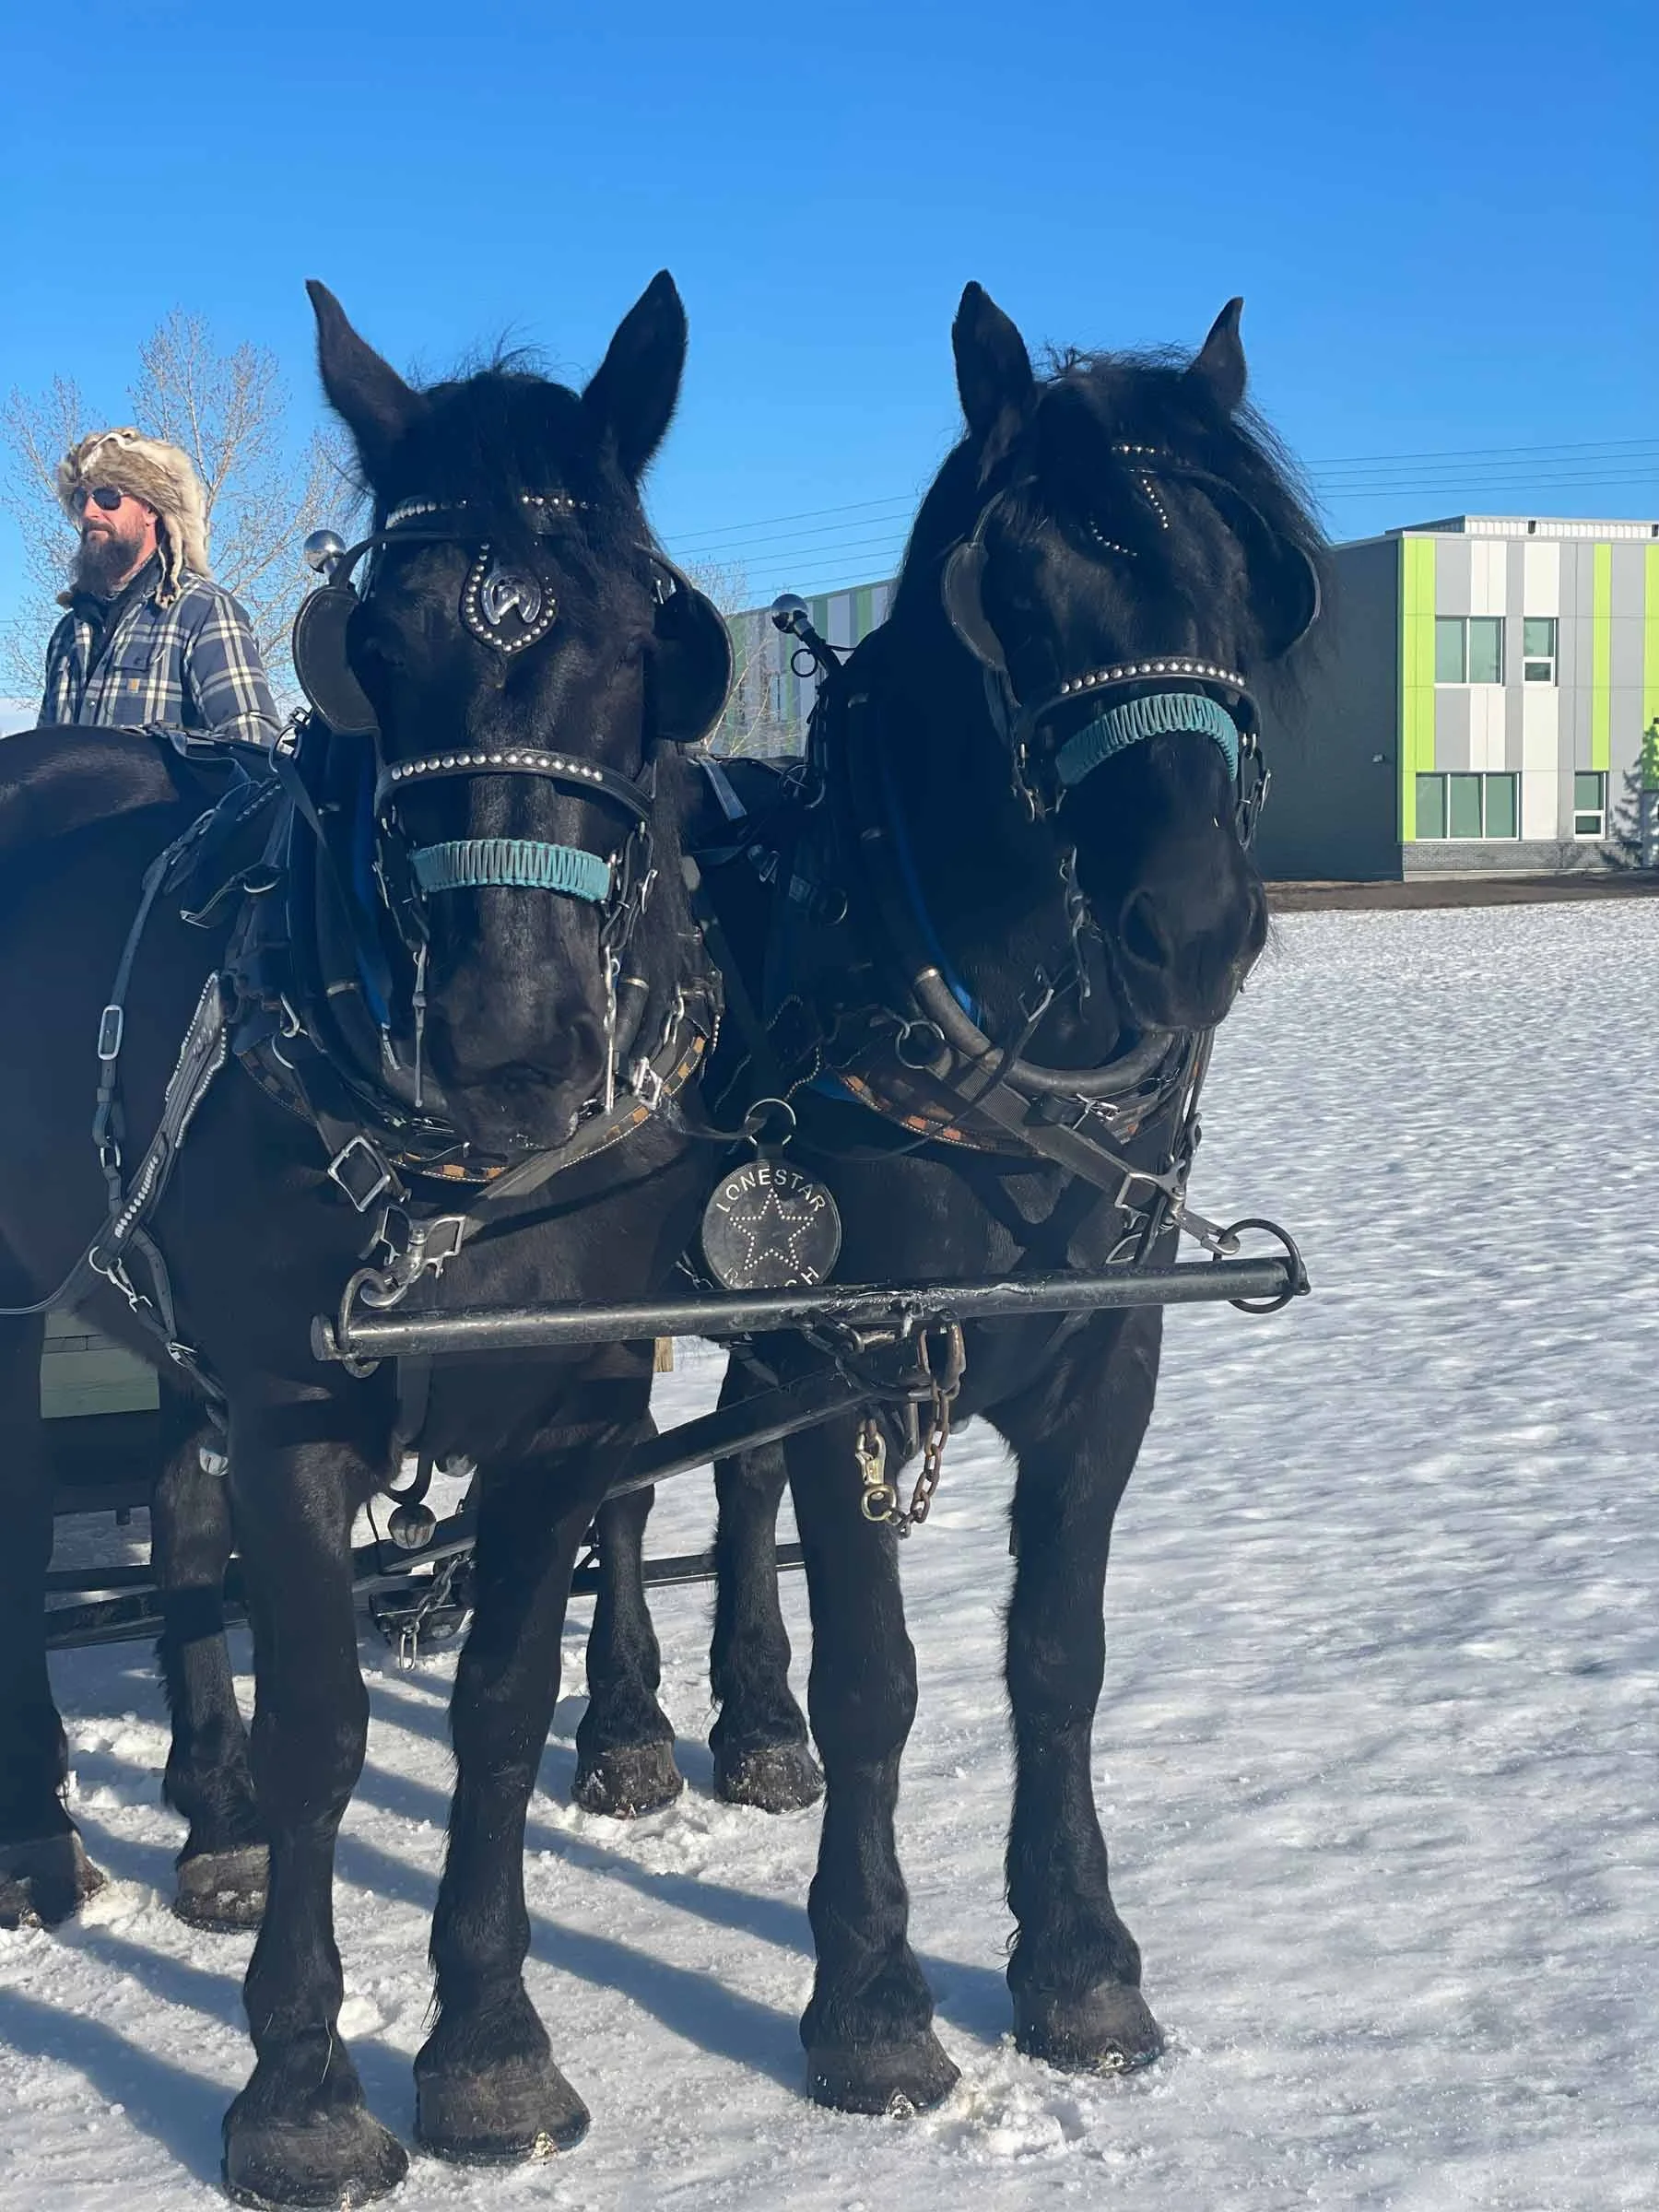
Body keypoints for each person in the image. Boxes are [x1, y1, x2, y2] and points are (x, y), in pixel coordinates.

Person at [38, 427, 280, 752]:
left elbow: (253, 748)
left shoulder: (202, 611)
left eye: (108, 496)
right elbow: (41, 759)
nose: (89, 512)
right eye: (81, 498)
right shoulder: (68, 633)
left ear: (151, 509)